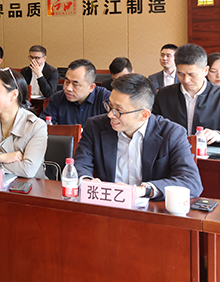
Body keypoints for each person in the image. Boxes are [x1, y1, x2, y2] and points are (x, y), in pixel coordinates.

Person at [74, 74, 203, 200]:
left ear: (144, 115)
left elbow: (191, 182)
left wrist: (142, 190)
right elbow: (80, 165)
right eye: (110, 106)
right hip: (107, 204)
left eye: (118, 110)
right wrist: (87, 182)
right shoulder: (95, 126)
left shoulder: (171, 133)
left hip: (150, 208)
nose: (110, 115)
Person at [152, 44, 220, 146]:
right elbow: (152, 127)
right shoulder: (164, 95)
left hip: (211, 153)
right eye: (181, 74)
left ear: (205, 71)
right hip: (173, 152)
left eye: (192, 74)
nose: (186, 80)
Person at [40, 59, 111, 125]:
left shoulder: (106, 99)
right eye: (67, 82)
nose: (68, 88)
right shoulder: (57, 98)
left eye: (75, 84)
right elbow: (42, 126)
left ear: (91, 87)